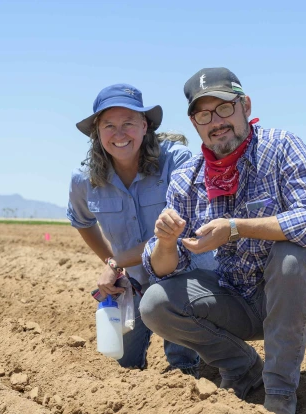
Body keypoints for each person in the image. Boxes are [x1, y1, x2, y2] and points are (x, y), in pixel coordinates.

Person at [139, 68, 306, 414]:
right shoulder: (187, 180)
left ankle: (279, 397)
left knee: (290, 255)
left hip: (301, 299)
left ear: (245, 106)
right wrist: (165, 241)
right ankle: (244, 367)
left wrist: (237, 228)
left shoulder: (280, 147)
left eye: (223, 108)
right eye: (203, 114)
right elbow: (161, 268)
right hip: (238, 300)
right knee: (155, 304)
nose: (215, 121)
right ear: (194, 124)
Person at [67, 83, 215, 376]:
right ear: (97, 131)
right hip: (136, 282)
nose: (119, 134)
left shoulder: (177, 161)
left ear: (145, 125)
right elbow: (82, 222)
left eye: (128, 124)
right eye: (109, 125)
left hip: (185, 276)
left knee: (182, 370)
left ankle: (191, 371)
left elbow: (179, 232)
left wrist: (116, 262)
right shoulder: (84, 180)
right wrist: (115, 266)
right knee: (122, 366)